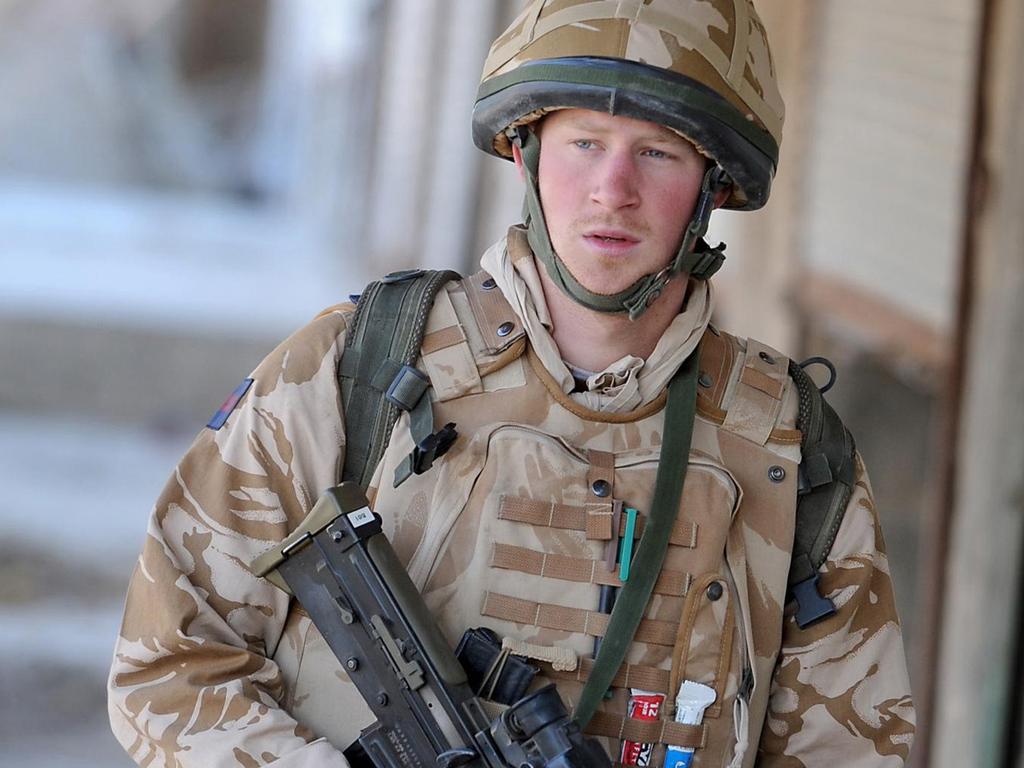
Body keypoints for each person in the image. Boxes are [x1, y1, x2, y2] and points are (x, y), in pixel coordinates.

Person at [108, 1, 915, 766]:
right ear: (526, 151)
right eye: (585, 143)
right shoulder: (362, 364)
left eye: (658, 152)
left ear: (712, 185)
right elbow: (169, 662)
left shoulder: (786, 446)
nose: (613, 190)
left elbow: (849, 748)